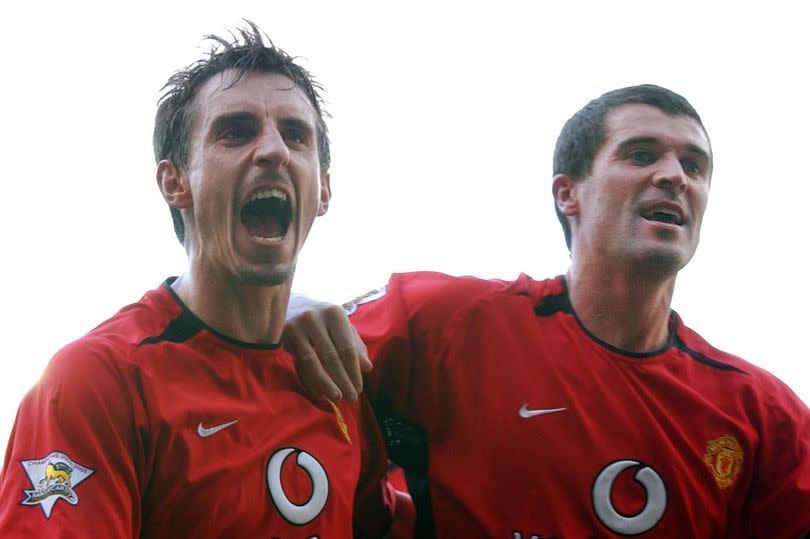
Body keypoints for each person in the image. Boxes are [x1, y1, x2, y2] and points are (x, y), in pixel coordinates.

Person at [284, 85, 810, 537]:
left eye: (693, 165)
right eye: (641, 154)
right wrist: (290, 306)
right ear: (568, 194)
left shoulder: (763, 416)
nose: (675, 176)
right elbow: (260, 357)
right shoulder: (447, 322)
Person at [0, 23, 398, 538]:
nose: (274, 150)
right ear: (175, 182)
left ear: (322, 191)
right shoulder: (96, 380)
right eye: (236, 130)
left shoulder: (334, 376)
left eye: (296, 136)